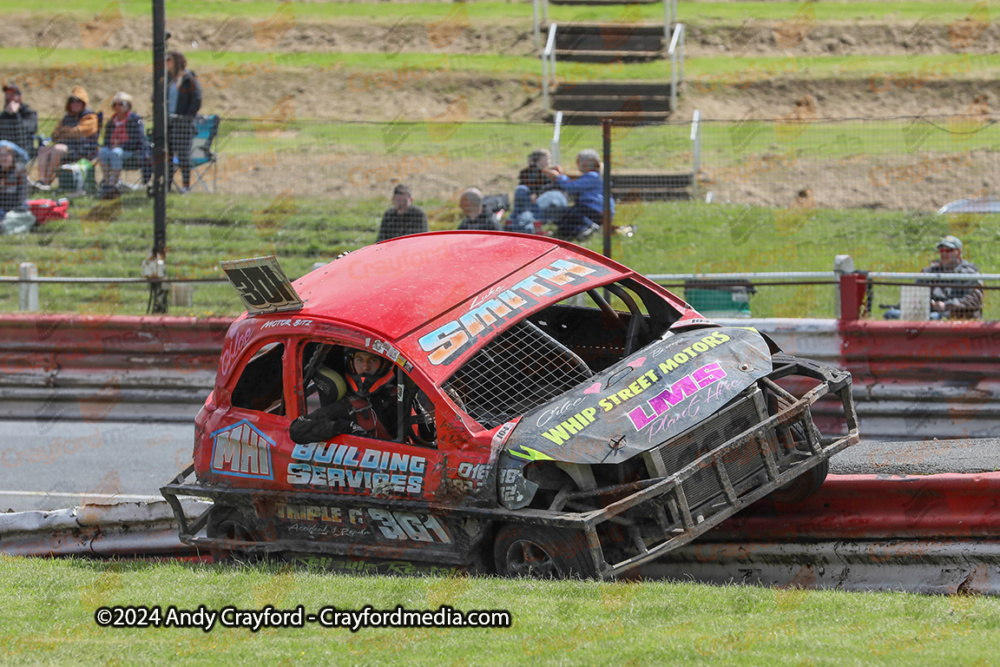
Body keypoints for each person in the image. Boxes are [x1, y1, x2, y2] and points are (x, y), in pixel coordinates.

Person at [289, 349, 399, 444]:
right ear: (351, 363)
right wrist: (346, 427)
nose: (365, 367)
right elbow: (297, 430)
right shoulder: (346, 407)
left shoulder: (397, 392)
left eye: (373, 360)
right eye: (359, 360)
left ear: (384, 365)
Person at [884, 235, 983, 320]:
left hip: (952, 316)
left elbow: (972, 302)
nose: (944, 253)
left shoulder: (969, 274)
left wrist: (946, 305)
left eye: (949, 250)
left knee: (934, 318)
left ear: (959, 252)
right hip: (926, 314)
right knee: (890, 314)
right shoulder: (931, 271)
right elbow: (914, 293)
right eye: (942, 250)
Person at [35, 86, 100, 188]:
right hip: (65, 147)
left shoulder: (90, 116)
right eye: (72, 101)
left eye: (78, 101)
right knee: (43, 150)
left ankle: (47, 181)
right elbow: (55, 135)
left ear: (83, 103)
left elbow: (79, 132)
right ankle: (41, 180)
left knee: (57, 149)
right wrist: (65, 133)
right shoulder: (66, 117)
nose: (74, 104)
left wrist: (65, 132)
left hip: (82, 149)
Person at [543, 148, 615, 241]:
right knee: (563, 224)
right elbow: (574, 184)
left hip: (595, 211)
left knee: (567, 213)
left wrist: (557, 177)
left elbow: (571, 187)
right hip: (595, 211)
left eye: (579, 161)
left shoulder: (593, 176)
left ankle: (588, 225)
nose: (577, 164)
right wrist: (561, 175)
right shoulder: (595, 175)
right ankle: (583, 231)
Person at [98, 92, 151, 197]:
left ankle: (114, 183)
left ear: (128, 105)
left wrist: (121, 146)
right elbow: (106, 140)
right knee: (103, 151)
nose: (117, 107)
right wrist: (111, 145)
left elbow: (139, 140)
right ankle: (107, 183)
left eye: (121, 104)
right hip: (113, 149)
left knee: (116, 153)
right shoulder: (112, 121)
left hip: (131, 152)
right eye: (115, 104)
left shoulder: (135, 119)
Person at [166, 51, 203, 194]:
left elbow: (197, 99)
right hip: (168, 124)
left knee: (183, 156)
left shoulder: (189, 79)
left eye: (169, 60)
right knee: (166, 156)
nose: (166, 63)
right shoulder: (167, 79)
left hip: (183, 125)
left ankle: (186, 186)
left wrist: (187, 117)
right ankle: (167, 187)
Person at [510, 149, 551, 230]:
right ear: (539, 160)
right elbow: (527, 183)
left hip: (537, 200)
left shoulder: (548, 173)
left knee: (524, 213)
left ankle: (514, 221)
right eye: (548, 159)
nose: (549, 161)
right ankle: (523, 223)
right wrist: (534, 193)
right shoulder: (528, 172)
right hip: (528, 199)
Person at [0, 82, 38, 156]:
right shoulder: (3, 115)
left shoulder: (29, 114)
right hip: (2, 150)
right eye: (7, 94)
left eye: (12, 94)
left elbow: (23, 131)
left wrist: (15, 115)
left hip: (22, 151)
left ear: (19, 97)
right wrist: (7, 114)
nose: (9, 97)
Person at [0, 141, 29, 218]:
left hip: (15, 209)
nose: (3, 158)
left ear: (12, 156)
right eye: (1, 155)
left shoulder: (20, 172)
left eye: (6, 155)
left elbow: (22, 197)